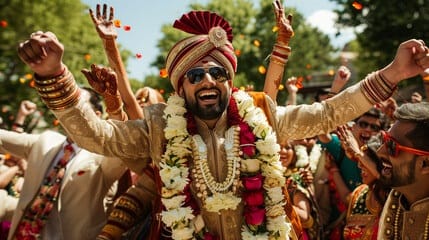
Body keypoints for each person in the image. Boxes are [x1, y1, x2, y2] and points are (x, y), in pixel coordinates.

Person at [17, 0, 429, 238]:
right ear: (181, 88)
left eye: (218, 73)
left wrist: (392, 72)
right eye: (195, 75)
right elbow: (98, 136)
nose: (209, 80)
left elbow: (328, 113)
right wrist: (55, 75)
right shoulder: (159, 126)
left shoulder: (262, 114)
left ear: (230, 80)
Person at [2, 88, 127, 240]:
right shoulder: (46, 140)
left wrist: (115, 105)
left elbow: (121, 146)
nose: (66, 110)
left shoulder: (104, 156)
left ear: (97, 115)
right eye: (63, 104)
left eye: (74, 105)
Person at [376, 102, 429, 240]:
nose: (380, 152)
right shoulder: (398, 202)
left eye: (392, 146)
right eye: (384, 139)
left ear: (425, 164)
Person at [336, 126, 390, 240]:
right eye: (361, 161)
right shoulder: (360, 193)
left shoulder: (393, 195)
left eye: (365, 161)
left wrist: (357, 152)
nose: (360, 165)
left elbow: (384, 179)